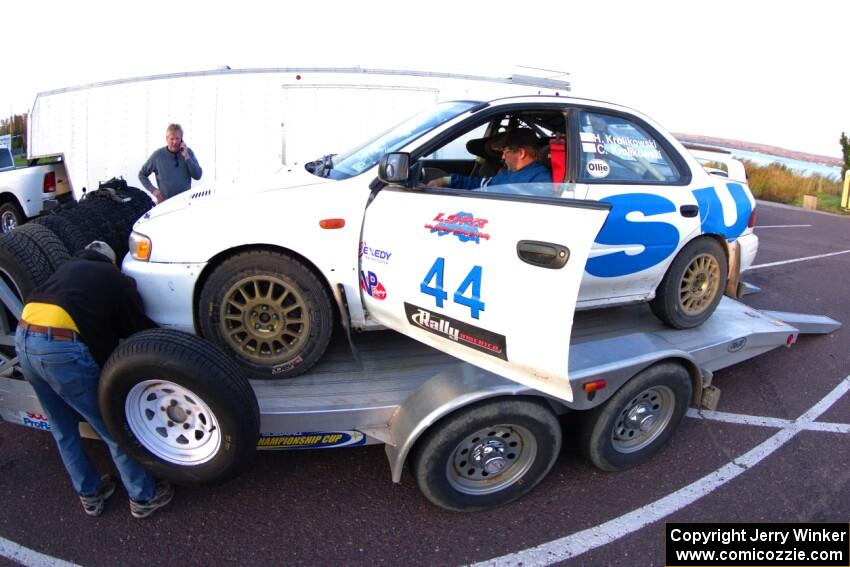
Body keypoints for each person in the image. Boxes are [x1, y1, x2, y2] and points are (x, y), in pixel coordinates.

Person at [14, 241, 174, 519]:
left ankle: (90, 494)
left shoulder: (66, 270)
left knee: (63, 430)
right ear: (110, 262)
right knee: (111, 424)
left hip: (24, 339)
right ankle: (143, 495)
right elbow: (136, 329)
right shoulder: (112, 277)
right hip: (59, 349)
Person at [427, 128, 551, 190]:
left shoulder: (541, 180)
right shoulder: (506, 173)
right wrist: (446, 180)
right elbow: (482, 184)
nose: (502, 157)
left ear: (521, 153)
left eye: (505, 152)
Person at [138, 123, 203, 203]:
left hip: (185, 202)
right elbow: (142, 174)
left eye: (177, 138)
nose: (175, 142)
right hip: (166, 203)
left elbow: (198, 175)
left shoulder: (188, 152)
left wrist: (187, 157)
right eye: (171, 139)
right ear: (166, 139)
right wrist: (154, 191)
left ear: (181, 139)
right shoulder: (158, 156)